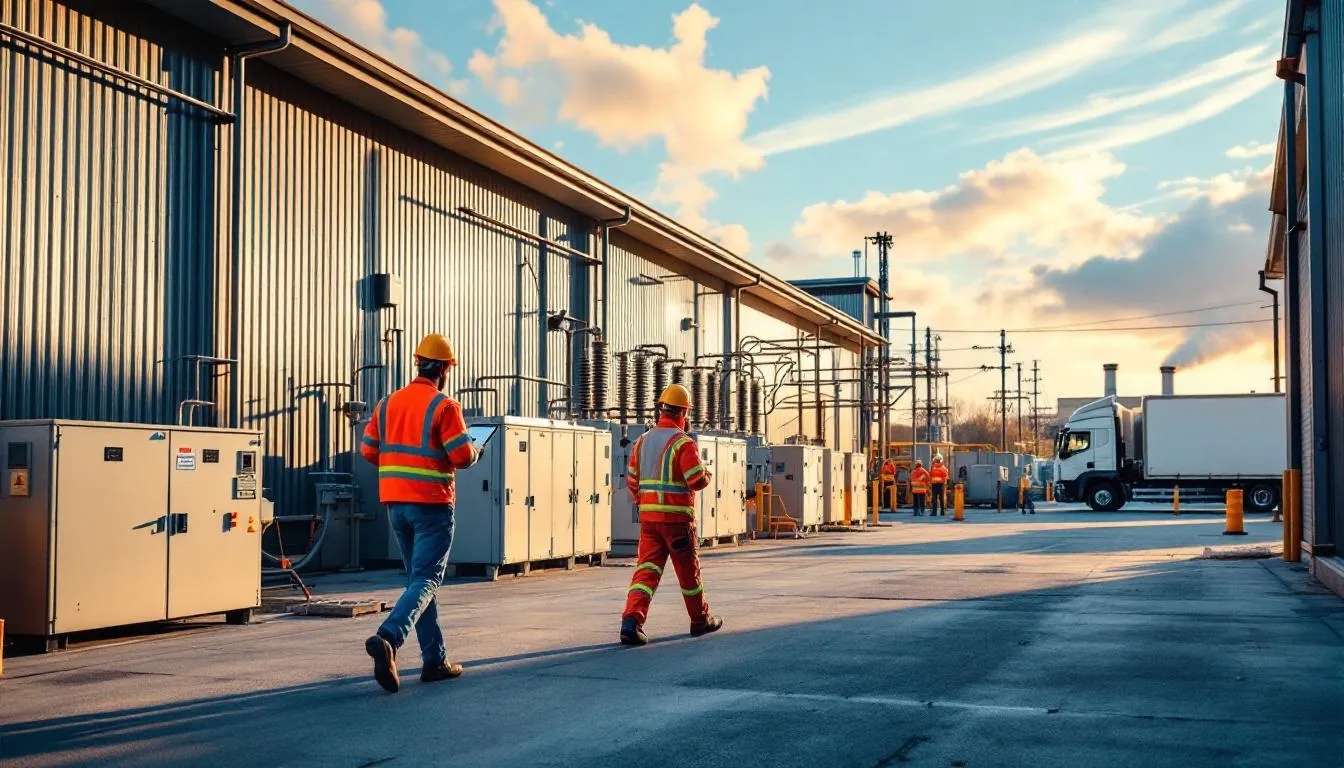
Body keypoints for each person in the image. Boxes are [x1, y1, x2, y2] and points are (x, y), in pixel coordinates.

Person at [359, 333, 482, 693]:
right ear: (444, 369)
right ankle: (389, 638)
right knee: (427, 580)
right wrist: (476, 451)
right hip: (431, 505)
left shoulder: (388, 403)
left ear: (418, 363)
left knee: (419, 581)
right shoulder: (444, 406)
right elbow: (460, 456)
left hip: (396, 505)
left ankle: (434, 661)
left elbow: (368, 450)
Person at [620, 384, 723, 646]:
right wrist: (707, 473)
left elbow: (632, 480)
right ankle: (700, 621)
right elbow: (695, 479)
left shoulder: (642, 441)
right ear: (683, 413)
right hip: (677, 523)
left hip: (649, 522)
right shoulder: (682, 442)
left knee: (646, 571)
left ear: (661, 410)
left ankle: (632, 621)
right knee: (689, 574)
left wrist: (645, 503)